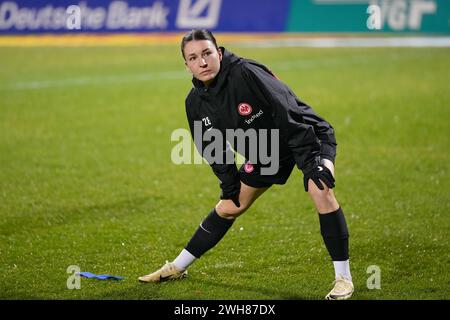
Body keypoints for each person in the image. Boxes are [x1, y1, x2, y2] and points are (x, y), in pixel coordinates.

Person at [138, 29, 354, 300]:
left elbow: (287, 111)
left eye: (206, 53)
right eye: (193, 58)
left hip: (305, 135)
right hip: (266, 151)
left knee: (319, 187)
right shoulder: (194, 103)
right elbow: (212, 148)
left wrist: (311, 162)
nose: (202, 62)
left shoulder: (246, 73)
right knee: (229, 207)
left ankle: (343, 278)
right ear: (186, 65)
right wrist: (229, 185)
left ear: (218, 52)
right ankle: (177, 267)